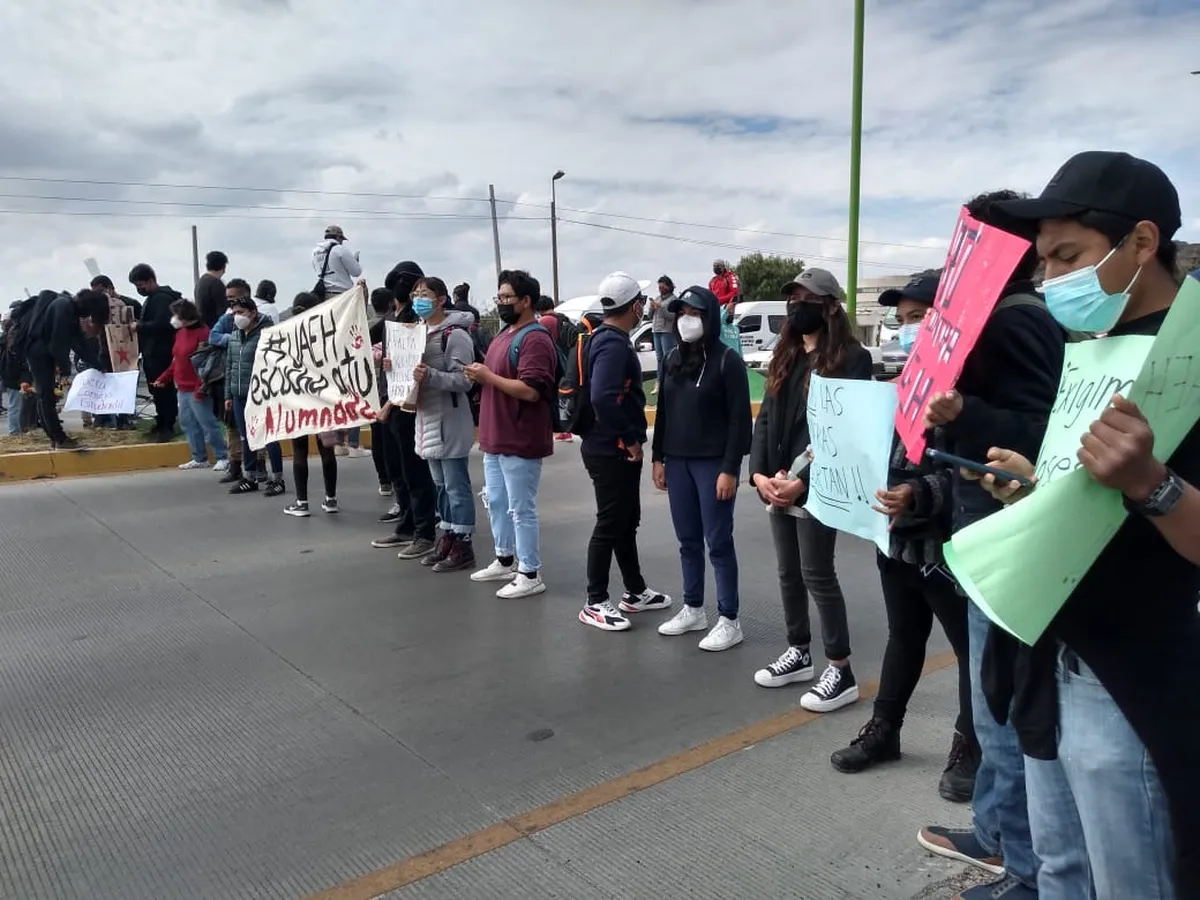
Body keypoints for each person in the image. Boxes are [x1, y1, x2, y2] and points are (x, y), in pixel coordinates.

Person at [972, 152, 1198, 899]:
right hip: (1053, 657)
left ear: (1142, 242)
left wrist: (1151, 482)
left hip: (1134, 680)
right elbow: (1089, 503)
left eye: (1067, 257)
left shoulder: (1191, 354)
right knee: (1063, 871)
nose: (1050, 279)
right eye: (1043, 262)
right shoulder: (1088, 349)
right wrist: (1035, 488)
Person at [916, 190, 1068, 900]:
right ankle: (996, 831)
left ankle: (1025, 866)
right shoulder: (996, 318)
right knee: (990, 698)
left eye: (970, 240)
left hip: (1004, 533)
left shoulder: (1017, 320)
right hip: (982, 527)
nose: (958, 255)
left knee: (1001, 703)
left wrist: (964, 412)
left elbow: (1042, 432)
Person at [828, 274, 979, 804]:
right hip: (893, 541)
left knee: (970, 650)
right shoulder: (898, 386)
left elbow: (975, 470)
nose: (908, 329)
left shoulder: (969, 389)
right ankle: (884, 731)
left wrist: (918, 494)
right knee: (904, 636)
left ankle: (971, 746)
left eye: (920, 318)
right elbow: (869, 452)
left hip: (944, 548)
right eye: (903, 319)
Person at [749, 268, 873, 712]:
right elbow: (765, 419)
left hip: (818, 484)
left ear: (831, 306)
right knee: (789, 572)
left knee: (817, 573)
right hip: (778, 481)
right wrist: (759, 475)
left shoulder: (851, 359)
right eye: (794, 298)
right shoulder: (785, 354)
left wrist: (804, 481)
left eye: (808, 299)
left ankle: (840, 669)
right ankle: (798, 652)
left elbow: (846, 432)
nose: (797, 306)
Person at [652, 285, 752, 650]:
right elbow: (664, 412)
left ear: (709, 317)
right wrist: (658, 457)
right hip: (677, 461)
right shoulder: (672, 359)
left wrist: (730, 468)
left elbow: (740, 421)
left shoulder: (728, 361)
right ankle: (693, 608)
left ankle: (729, 619)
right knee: (688, 540)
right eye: (681, 313)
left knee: (719, 542)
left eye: (694, 314)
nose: (686, 320)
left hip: (713, 464)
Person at [577, 272, 670, 632]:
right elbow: (603, 397)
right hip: (612, 449)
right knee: (610, 523)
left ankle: (635, 590)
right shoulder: (613, 345)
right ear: (634, 306)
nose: (644, 305)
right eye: (642, 300)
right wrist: (630, 439)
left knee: (625, 522)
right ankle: (595, 601)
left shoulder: (604, 338)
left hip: (607, 446)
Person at [465, 269, 558, 599]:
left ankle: (529, 572)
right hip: (496, 436)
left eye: (507, 298)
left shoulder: (535, 339)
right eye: (499, 297)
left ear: (526, 301)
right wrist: (481, 376)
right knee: (497, 502)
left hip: (520, 437)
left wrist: (488, 377)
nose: (501, 303)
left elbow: (531, 390)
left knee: (521, 508)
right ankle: (505, 559)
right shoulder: (505, 334)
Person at [407, 276, 477, 573]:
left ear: (441, 299)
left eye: (425, 294)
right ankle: (448, 533)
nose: (418, 300)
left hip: (449, 419)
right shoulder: (415, 333)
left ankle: (464, 542)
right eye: (415, 294)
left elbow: (465, 380)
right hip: (427, 419)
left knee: (456, 486)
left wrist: (430, 376)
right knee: (440, 485)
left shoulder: (454, 335)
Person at [370, 264, 439, 553]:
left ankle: (424, 533)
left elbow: (412, 366)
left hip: (405, 405)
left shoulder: (413, 320)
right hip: (390, 402)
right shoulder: (391, 319)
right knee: (396, 469)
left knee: (414, 472)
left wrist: (388, 402)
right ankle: (407, 525)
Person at [21, 289, 109, 448]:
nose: (88, 317)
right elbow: (58, 343)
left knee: (45, 395)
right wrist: (65, 368)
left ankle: (55, 437)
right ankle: (59, 438)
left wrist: (97, 365)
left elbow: (78, 342)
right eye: (90, 314)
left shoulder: (69, 307)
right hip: (39, 353)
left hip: (40, 352)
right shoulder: (64, 307)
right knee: (46, 395)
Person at [150, 298, 228, 470]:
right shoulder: (180, 333)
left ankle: (222, 456)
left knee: (207, 423)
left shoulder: (204, 333)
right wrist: (164, 377)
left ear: (186, 316)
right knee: (188, 423)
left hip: (197, 387)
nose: (174, 319)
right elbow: (177, 360)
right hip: (182, 387)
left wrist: (201, 386)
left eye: (177, 315)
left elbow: (208, 363)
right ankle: (199, 457)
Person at [282, 292, 340, 518]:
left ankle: (302, 502)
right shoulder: (327, 335)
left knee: (299, 450)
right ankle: (331, 499)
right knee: (327, 449)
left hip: (297, 401)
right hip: (324, 401)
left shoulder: (287, 335)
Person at [223, 293, 283, 496]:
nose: (237, 317)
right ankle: (249, 477)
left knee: (268, 436)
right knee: (246, 436)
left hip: (261, 394)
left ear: (253, 313)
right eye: (234, 313)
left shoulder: (266, 334)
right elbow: (230, 367)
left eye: (241, 312)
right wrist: (228, 395)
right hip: (239, 395)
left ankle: (277, 479)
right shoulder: (234, 336)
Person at [128, 264, 183, 441]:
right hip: (152, 351)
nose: (139, 289)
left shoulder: (161, 299)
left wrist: (140, 326)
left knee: (163, 390)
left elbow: (163, 324)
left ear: (151, 280)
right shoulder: (153, 298)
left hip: (161, 352)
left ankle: (168, 424)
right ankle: (161, 421)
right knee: (156, 389)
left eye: (141, 285)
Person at [648, 275, 677, 394]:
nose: (660, 289)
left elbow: (672, 316)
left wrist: (661, 308)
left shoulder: (673, 299)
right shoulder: (657, 298)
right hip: (656, 330)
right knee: (659, 358)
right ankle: (659, 383)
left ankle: (671, 382)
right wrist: (652, 308)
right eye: (659, 287)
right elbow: (650, 316)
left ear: (669, 286)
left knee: (668, 357)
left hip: (667, 331)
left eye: (663, 286)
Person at [313, 225, 361, 296]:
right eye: (342, 239)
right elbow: (356, 272)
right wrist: (355, 262)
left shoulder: (315, 252)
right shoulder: (340, 249)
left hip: (322, 293)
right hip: (340, 294)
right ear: (338, 237)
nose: (342, 242)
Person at [195, 251, 228, 327]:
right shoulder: (216, 284)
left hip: (203, 327)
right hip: (214, 327)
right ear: (223, 267)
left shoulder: (200, 282)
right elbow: (223, 311)